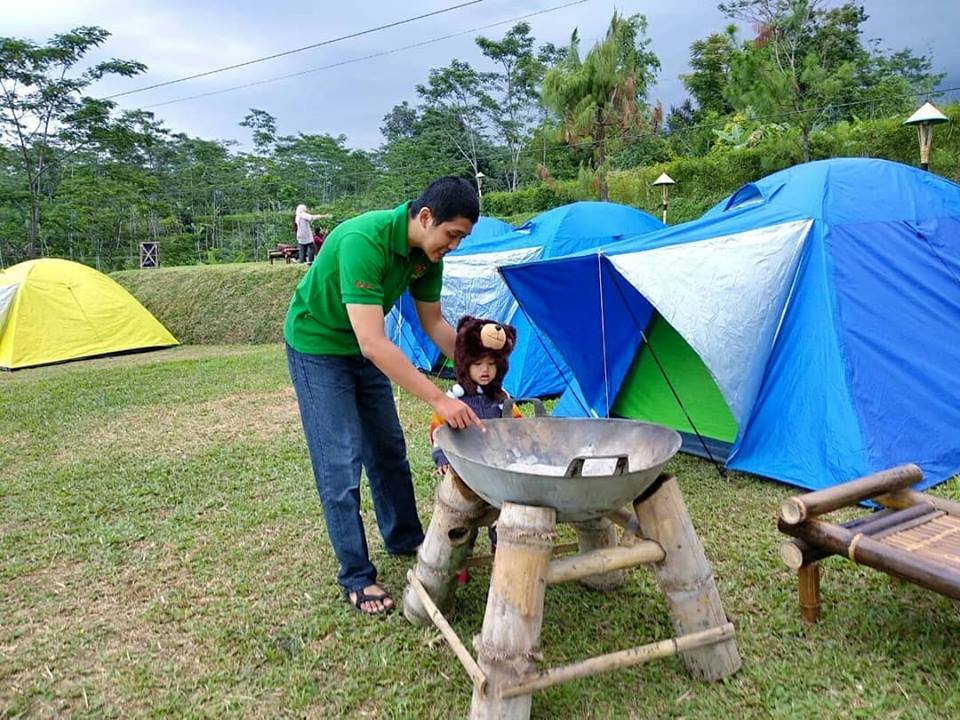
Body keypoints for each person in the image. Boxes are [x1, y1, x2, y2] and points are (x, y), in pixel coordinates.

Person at [284, 177, 483, 617]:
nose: (453, 246)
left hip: (362, 347)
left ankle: (405, 537)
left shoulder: (429, 256)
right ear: (425, 216)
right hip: (318, 347)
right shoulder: (363, 240)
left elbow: (434, 325)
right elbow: (374, 343)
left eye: (461, 239)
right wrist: (440, 399)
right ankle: (355, 575)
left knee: (388, 448)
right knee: (339, 462)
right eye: (453, 235)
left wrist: (476, 375)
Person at [429, 316, 521, 583]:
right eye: (478, 364)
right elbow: (439, 431)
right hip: (466, 469)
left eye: (491, 364)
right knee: (461, 521)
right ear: (465, 364)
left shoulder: (500, 398)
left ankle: (500, 551)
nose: (485, 370)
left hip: (496, 467)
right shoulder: (455, 398)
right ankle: (459, 561)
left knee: (501, 515)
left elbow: (517, 426)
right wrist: (442, 456)